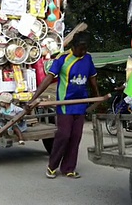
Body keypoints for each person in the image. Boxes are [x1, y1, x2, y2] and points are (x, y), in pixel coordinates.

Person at [28, 32, 99, 179]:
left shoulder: (88, 58)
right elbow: (48, 79)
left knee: (76, 137)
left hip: (80, 104)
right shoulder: (62, 58)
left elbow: (92, 78)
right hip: (65, 104)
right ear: (73, 47)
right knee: (64, 135)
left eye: (86, 48)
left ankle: (68, 168)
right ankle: (52, 166)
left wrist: (97, 97)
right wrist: (33, 98)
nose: (83, 52)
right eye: (80, 48)